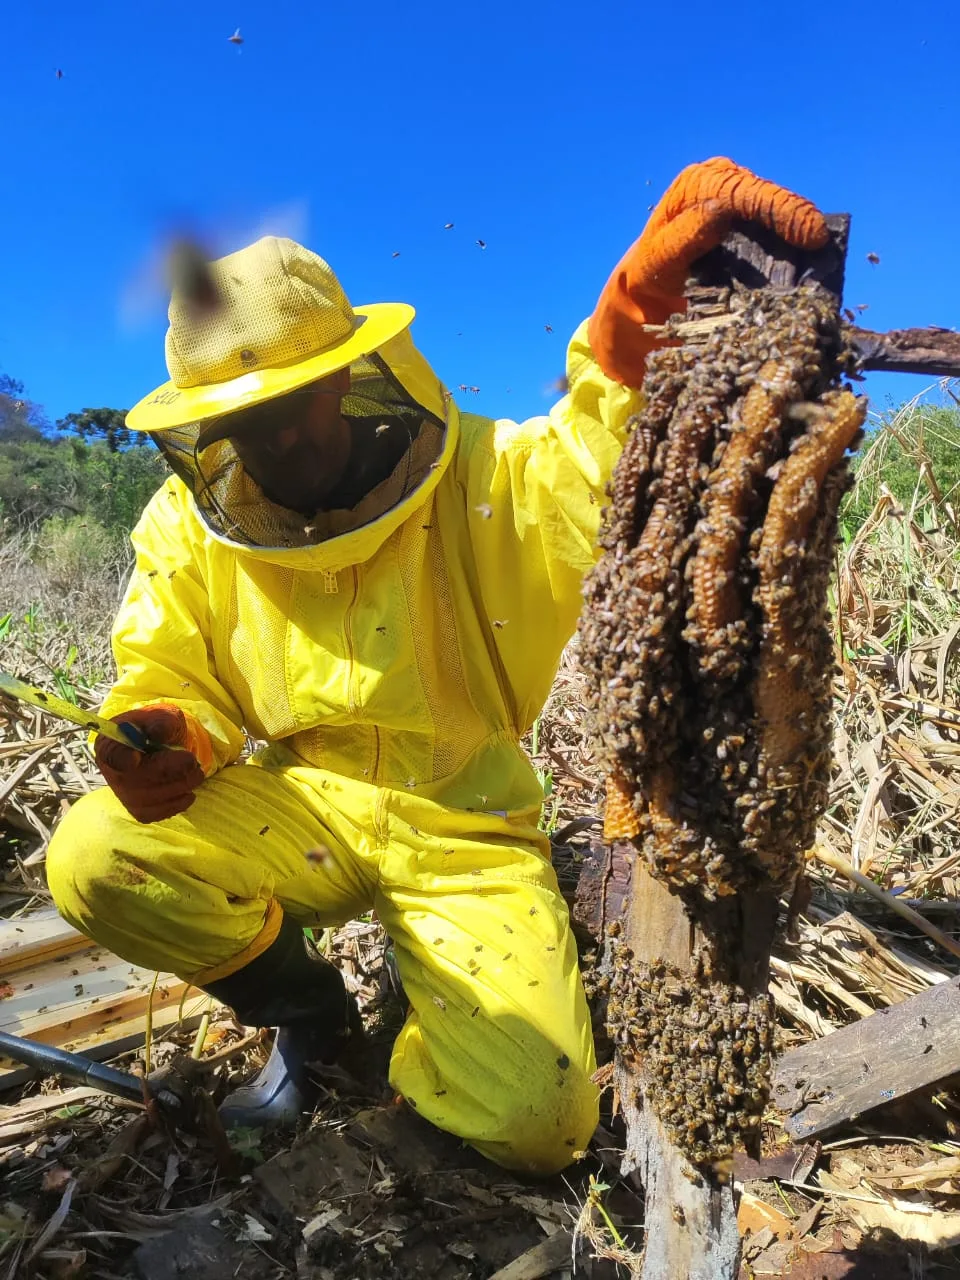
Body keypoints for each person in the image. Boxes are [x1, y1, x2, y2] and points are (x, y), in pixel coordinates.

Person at [46, 158, 827, 1174]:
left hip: (464, 823)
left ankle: (427, 1043)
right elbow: (165, 660)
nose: (279, 436)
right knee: (97, 855)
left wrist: (630, 342)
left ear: (351, 374)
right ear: (207, 428)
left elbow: (597, 463)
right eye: (246, 420)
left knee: (537, 1117)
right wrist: (166, 730)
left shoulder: (484, 476)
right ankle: (315, 1022)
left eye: (298, 400)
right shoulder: (186, 528)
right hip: (297, 806)